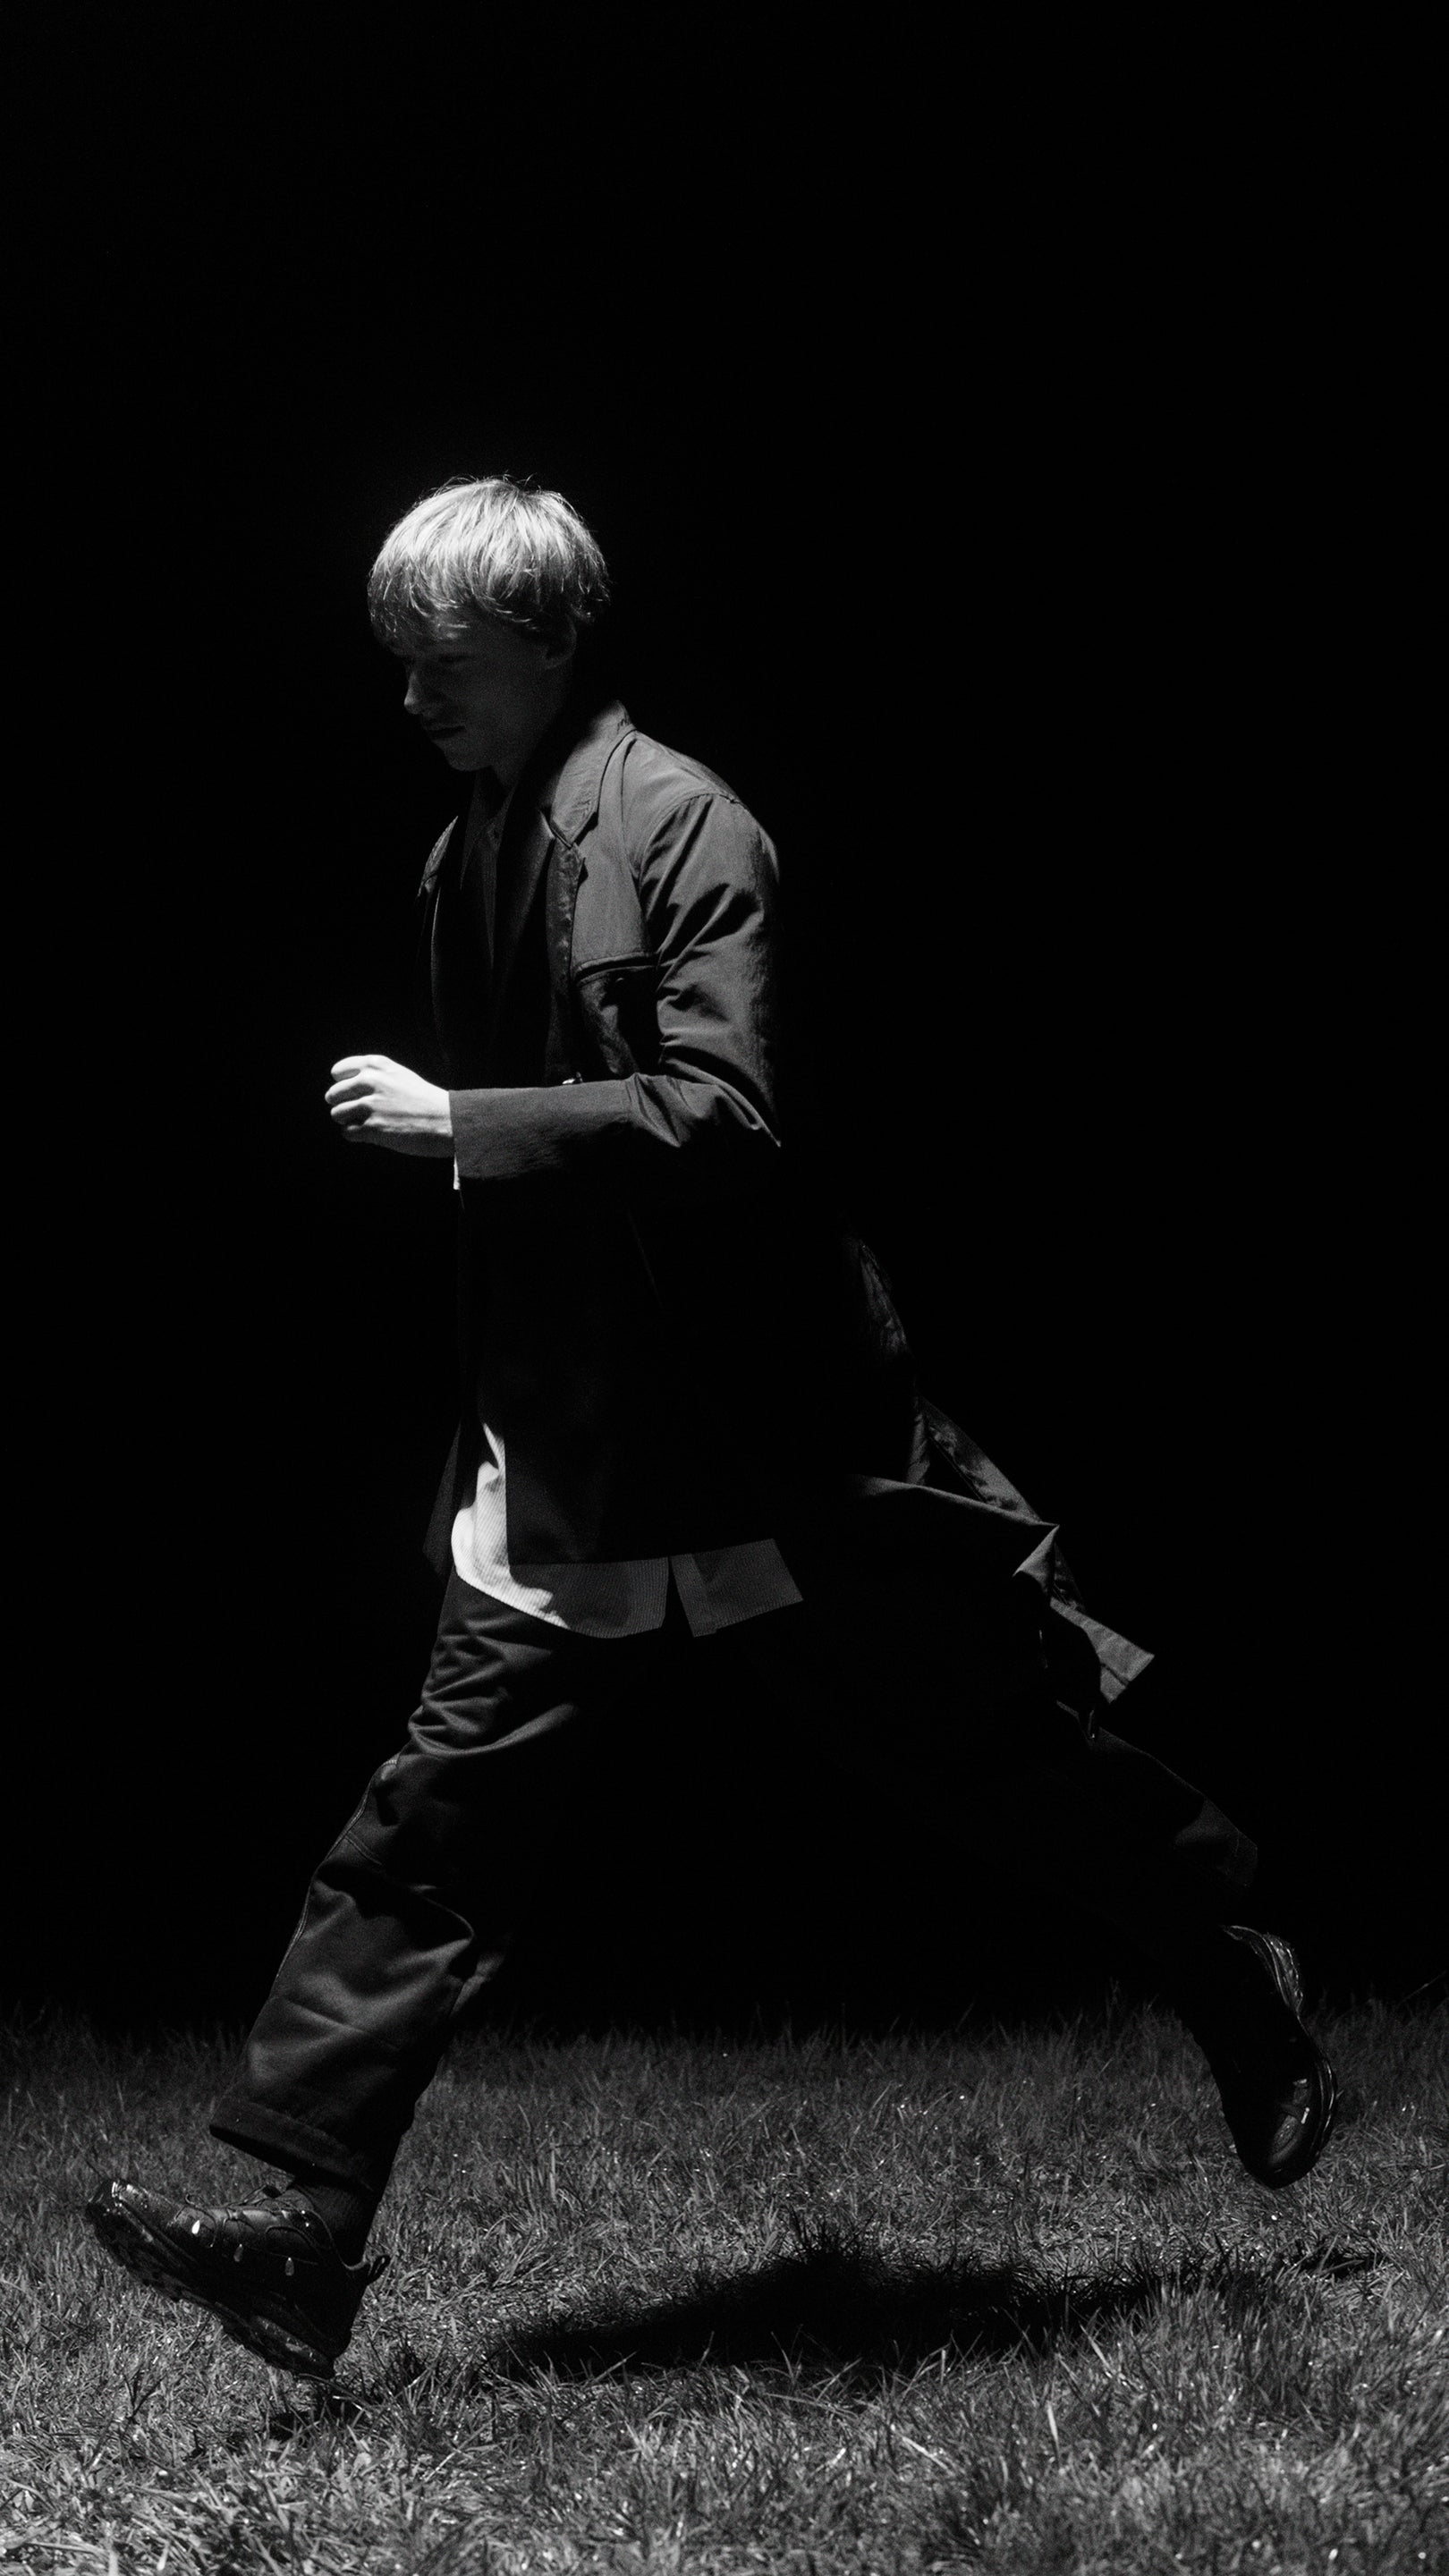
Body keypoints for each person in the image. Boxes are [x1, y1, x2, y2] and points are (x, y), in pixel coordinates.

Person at [87, 476, 1337, 2380]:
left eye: (443, 654)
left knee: (987, 1751)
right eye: (398, 656)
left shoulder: (684, 821)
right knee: (433, 1824)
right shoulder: (465, 846)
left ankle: (1227, 1964)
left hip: (762, 1440)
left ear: (543, 638)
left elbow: (727, 1117)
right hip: (577, 1446)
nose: (412, 691)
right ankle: (303, 2233)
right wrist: (496, 1408)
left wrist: (462, 1123)